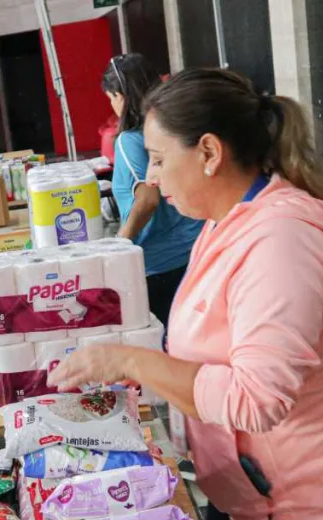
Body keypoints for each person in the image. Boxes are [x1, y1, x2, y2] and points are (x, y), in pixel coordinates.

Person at [49, 68, 323, 520]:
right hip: (253, 501)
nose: (154, 178)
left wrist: (128, 358)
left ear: (209, 152)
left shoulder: (281, 243)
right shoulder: (225, 221)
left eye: (160, 160)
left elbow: (255, 399)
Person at [101, 53, 202, 325]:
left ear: (121, 96)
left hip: (160, 264)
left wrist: (119, 245)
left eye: (111, 97)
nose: (111, 105)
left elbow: (147, 199)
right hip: (195, 249)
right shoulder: (174, 130)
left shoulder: (129, 141)